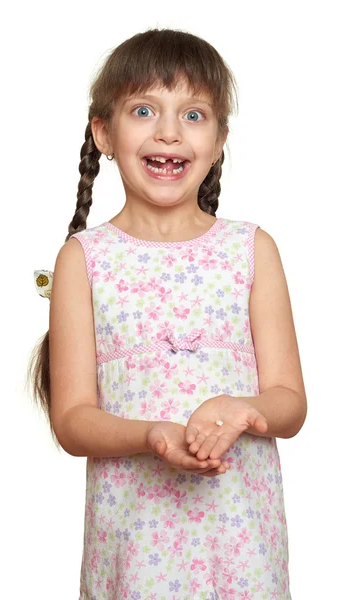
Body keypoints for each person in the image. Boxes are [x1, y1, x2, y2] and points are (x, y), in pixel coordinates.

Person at [29, 27, 307, 600]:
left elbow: (289, 401)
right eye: (144, 108)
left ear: (220, 138)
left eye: (194, 115)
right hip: (134, 553)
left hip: (242, 550)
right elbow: (74, 419)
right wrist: (153, 435)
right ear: (103, 131)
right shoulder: (84, 261)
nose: (169, 132)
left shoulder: (252, 250)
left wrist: (243, 411)